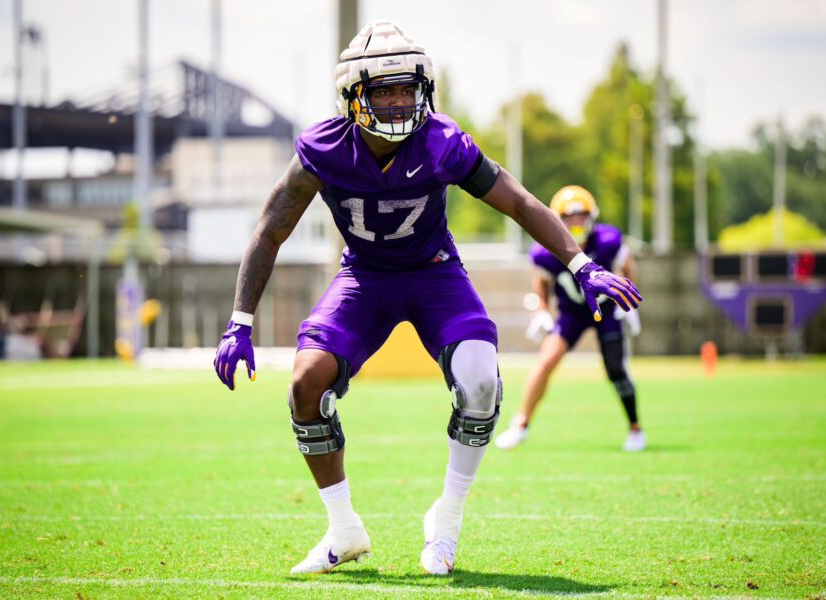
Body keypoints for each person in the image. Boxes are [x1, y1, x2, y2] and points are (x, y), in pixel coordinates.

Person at [213, 21, 641, 576]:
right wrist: (239, 322)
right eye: (383, 90)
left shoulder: (442, 141)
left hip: (435, 273)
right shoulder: (323, 147)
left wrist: (582, 265)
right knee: (304, 382)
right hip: (364, 277)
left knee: (482, 381)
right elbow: (270, 229)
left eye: (406, 88)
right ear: (354, 95)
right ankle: (343, 529)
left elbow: (518, 200)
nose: (397, 101)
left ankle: (448, 520)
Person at [494, 185, 646, 452]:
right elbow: (541, 282)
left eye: (581, 216)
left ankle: (635, 428)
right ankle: (520, 425)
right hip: (572, 314)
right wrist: (540, 310)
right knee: (545, 361)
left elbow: (627, 266)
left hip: (606, 311)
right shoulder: (546, 250)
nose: (576, 223)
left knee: (615, 368)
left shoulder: (608, 241)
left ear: (592, 217)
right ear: (557, 220)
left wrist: (629, 302)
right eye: (569, 218)